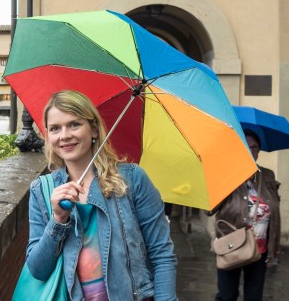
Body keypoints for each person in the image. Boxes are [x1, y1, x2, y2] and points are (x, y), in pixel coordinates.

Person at [25, 90, 178, 300]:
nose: (64, 135)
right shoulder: (41, 191)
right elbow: (37, 269)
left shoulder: (132, 180)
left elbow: (162, 254)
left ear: (94, 129)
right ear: (48, 136)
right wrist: (58, 219)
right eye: (55, 128)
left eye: (74, 124)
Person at [211, 130, 281, 301]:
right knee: (227, 296)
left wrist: (276, 247)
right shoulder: (227, 174)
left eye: (255, 147)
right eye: (246, 147)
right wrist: (228, 178)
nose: (251, 151)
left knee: (254, 296)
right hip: (231, 245)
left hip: (260, 247)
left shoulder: (268, 175)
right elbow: (210, 209)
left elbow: (275, 208)